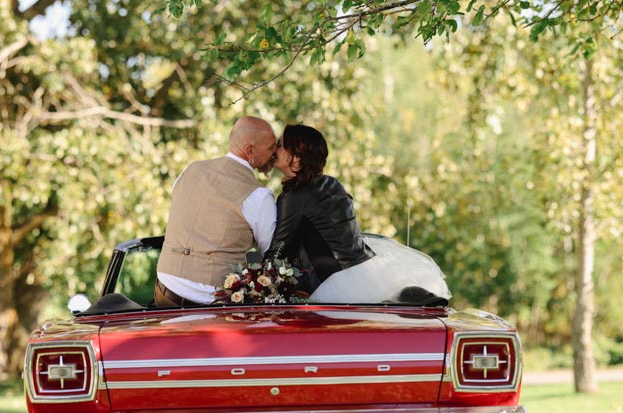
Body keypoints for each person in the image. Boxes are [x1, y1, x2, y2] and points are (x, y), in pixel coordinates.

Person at [266, 124, 451, 304]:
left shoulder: (294, 197)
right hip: (369, 269)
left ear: (296, 158)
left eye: (280, 145)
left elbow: (280, 247)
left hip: (338, 281)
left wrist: (257, 279)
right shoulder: (333, 183)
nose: (275, 149)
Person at [155, 116, 279, 307]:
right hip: (211, 306)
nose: (275, 153)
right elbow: (270, 253)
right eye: (271, 148)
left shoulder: (191, 169)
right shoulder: (258, 196)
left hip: (164, 292)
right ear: (250, 151)